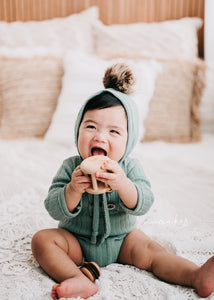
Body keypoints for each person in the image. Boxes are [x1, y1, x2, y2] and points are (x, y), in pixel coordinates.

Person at [31, 63, 214, 300]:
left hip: (123, 240)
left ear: (128, 141)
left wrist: (123, 184)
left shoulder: (129, 167)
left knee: (154, 251)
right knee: (42, 241)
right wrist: (72, 189)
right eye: (91, 126)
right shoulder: (71, 167)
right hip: (76, 242)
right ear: (78, 130)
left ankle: (196, 276)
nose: (99, 136)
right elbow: (53, 208)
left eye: (113, 132)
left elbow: (145, 201)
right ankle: (77, 278)